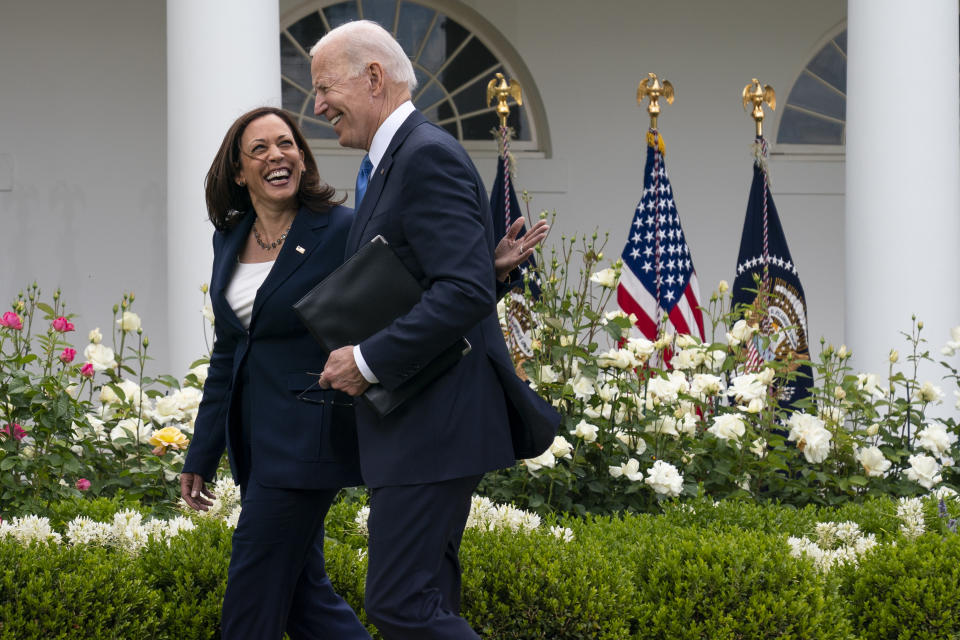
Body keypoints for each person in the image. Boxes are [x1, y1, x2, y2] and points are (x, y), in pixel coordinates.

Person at [310, 20, 561, 639]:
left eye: (323, 88)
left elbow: (461, 293)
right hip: (420, 425)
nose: (316, 107)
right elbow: (452, 280)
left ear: (373, 78)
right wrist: (485, 269)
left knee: (400, 605)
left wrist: (365, 360)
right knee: (429, 603)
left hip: (432, 425)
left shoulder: (425, 157)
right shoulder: (397, 161)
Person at [178, 106, 371, 640]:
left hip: (310, 436)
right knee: (306, 602)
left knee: (252, 593)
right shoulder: (230, 238)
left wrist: (484, 271)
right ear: (239, 172)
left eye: (286, 143)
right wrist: (203, 452)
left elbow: (401, 289)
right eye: (258, 149)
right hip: (255, 443)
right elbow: (227, 354)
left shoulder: (340, 228)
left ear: (302, 158)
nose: (276, 155)